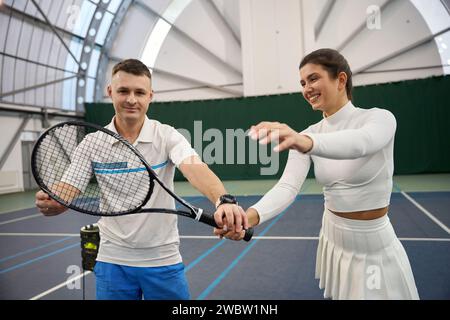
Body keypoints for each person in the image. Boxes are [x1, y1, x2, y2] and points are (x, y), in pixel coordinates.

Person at [214, 48, 419, 300]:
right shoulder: (307, 134)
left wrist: (307, 141)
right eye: (302, 83)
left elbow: (362, 143)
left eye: (313, 79)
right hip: (335, 239)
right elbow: (287, 188)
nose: (306, 88)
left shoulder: (379, 119)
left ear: (341, 80)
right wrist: (249, 218)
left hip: (376, 244)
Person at [35, 58, 248, 300]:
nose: (131, 99)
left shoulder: (167, 136)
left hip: (162, 260)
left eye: (139, 92)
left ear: (150, 96)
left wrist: (223, 199)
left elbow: (194, 167)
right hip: (111, 261)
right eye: (123, 91)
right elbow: (68, 189)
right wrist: (53, 201)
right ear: (110, 92)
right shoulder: (92, 144)